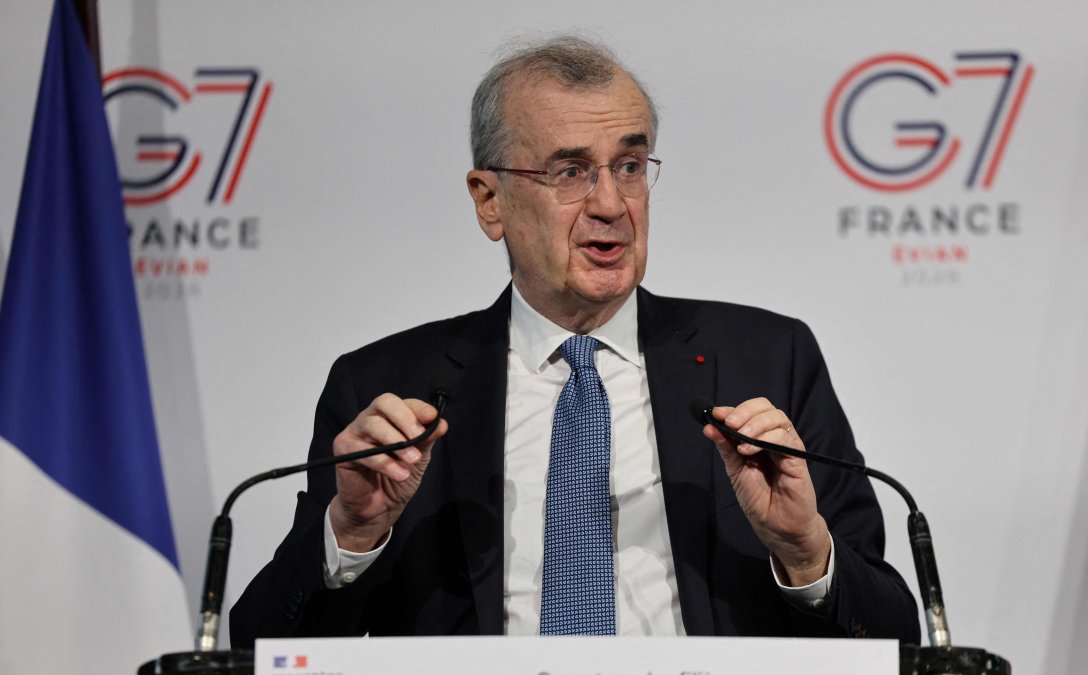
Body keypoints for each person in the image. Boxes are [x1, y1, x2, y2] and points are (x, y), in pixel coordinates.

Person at [230, 35, 919, 645]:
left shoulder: (767, 359)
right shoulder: (385, 386)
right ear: (489, 199)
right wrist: (349, 536)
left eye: (629, 165)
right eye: (570, 171)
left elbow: (893, 635)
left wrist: (806, 553)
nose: (612, 204)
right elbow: (263, 648)